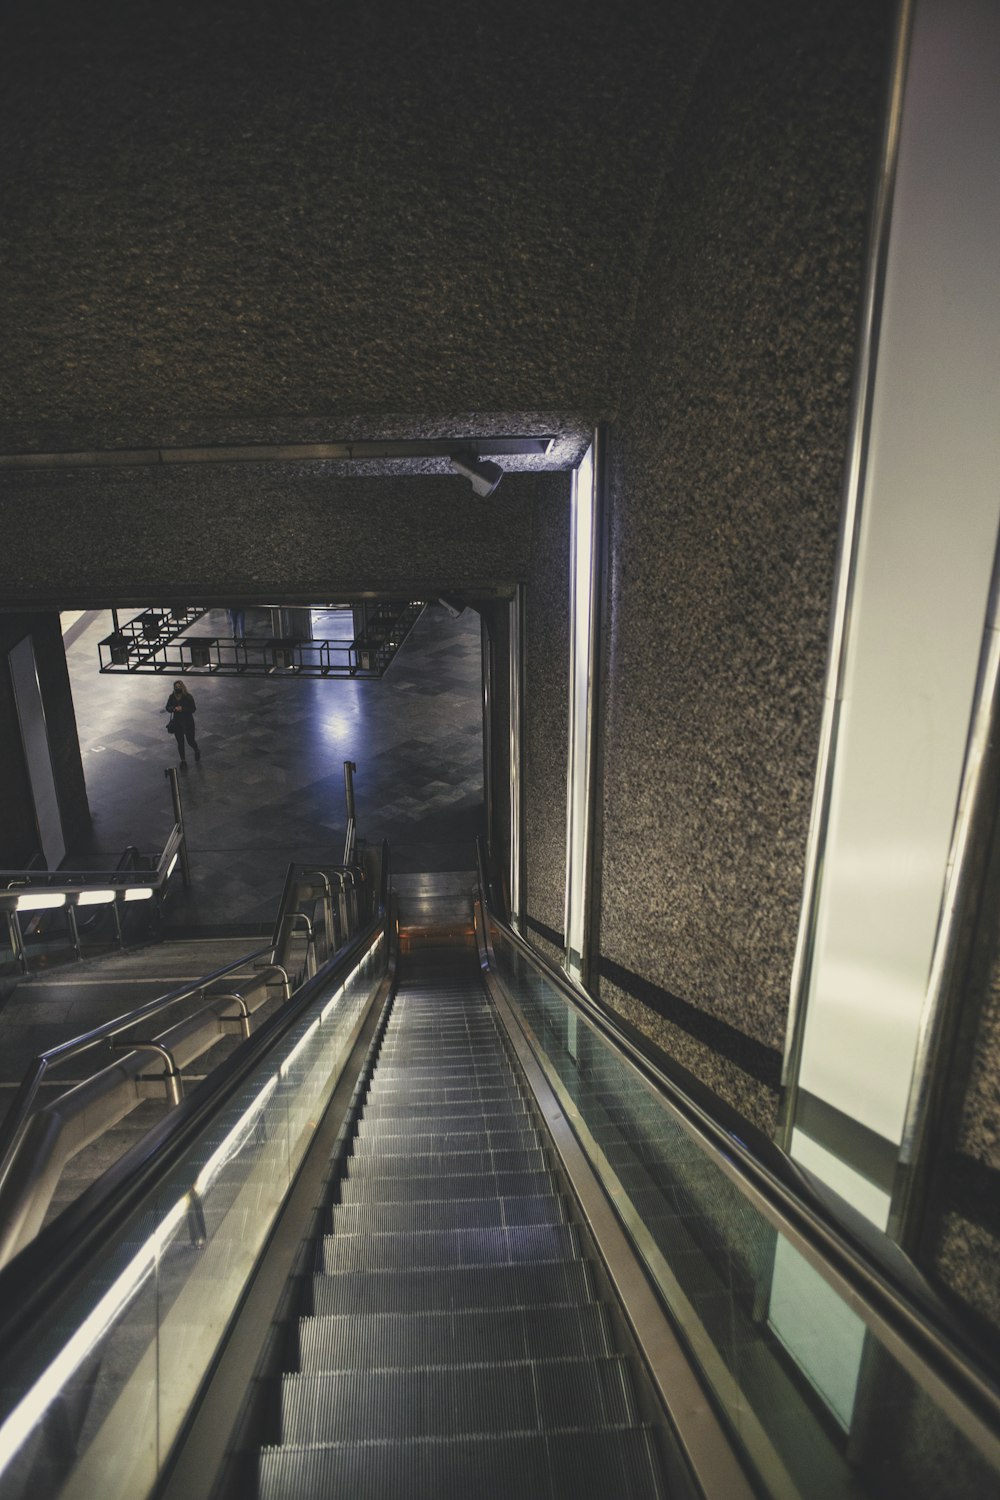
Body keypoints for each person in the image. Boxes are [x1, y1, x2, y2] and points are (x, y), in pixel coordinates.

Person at [165, 681, 200, 767]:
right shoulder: (172, 697)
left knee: (190, 740)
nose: (177, 688)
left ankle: (196, 750)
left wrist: (183, 709)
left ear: (182, 687)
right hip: (177, 723)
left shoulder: (188, 697)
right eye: (176, 687)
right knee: (180, 742)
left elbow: (193, 709)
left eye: (179, 686)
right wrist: (174, 708)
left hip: (188, 722)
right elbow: (167, 707)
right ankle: (183, 760)